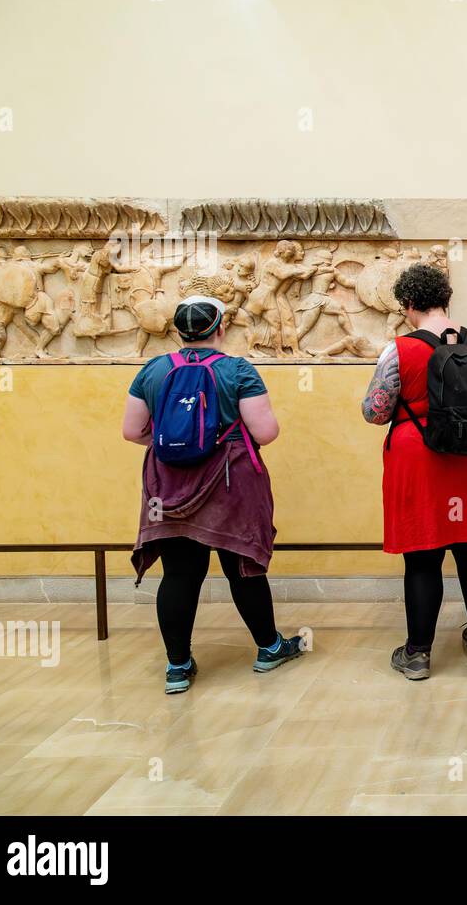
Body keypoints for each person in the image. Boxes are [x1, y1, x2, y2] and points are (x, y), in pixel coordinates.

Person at [123, 296, 305, 693]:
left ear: (177, 332)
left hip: (168, 484)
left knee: (179, 573)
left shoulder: (152, 370)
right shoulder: (237, 370)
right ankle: (269, 648)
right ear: (220, 328)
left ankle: (177, 667)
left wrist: (179, 441)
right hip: (229, 482)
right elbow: (265, 432)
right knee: (241, 567)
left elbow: (132, 431)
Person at [361, 264, 467, 681]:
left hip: (419, 456)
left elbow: (376, 411)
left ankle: (418, 654)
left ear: (409, 305)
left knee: (423, 557)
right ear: (445, 298)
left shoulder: (399, 348)